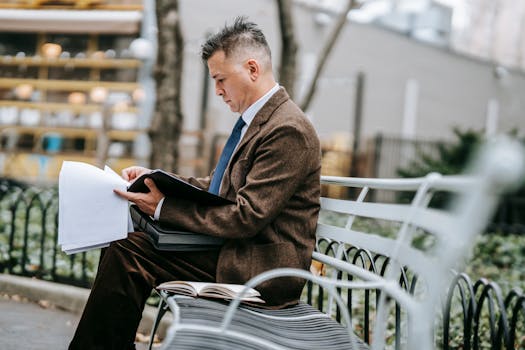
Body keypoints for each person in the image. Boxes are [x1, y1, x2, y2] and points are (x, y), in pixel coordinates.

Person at [69, 17, 321, 349]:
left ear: (252, 69)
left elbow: (246, 217)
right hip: (237, 252)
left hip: (261, 269)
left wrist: (163, 207)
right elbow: (219, 188)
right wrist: (157, 180)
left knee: (130, 250)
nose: (217, 91)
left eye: (220, 80)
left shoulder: (287, 130)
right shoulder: (261, 120)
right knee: (130, 242)